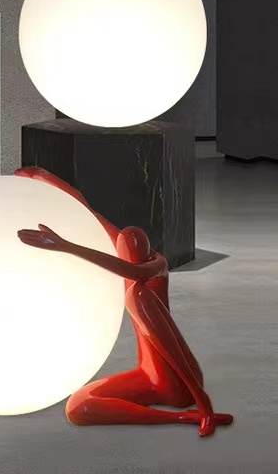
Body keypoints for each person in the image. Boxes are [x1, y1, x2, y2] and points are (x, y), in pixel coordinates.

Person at [14, 167, 233, 437]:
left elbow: (130, 271)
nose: (129, 253)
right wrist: (42, 176)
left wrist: (65, 246)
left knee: (137, 296)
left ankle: (202, 403)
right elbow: (89, 212)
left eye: (136, 251)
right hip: (147, 376)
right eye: (124, 249)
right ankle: (183, 418)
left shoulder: (156, 265)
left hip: (179, 381)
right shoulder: (123, 251)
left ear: (148, 250)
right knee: (78, 407)